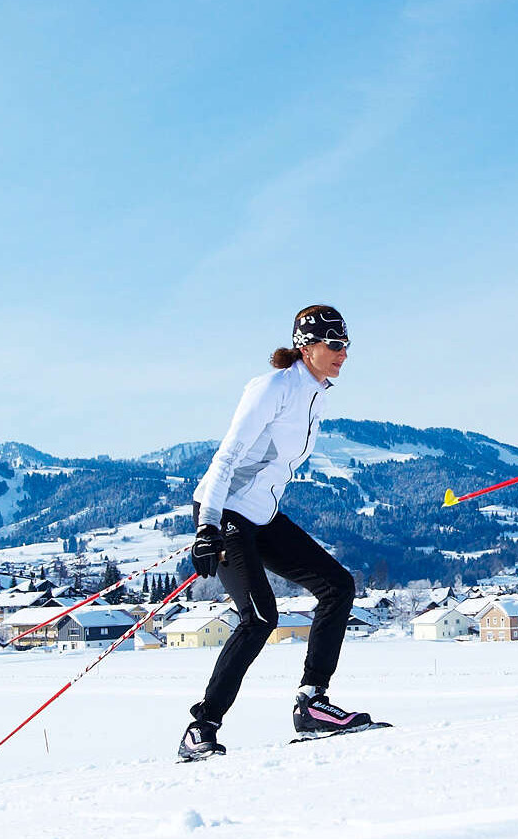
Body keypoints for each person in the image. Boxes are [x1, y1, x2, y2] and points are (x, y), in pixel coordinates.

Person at [176, 305, 377, 762]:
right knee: (260, 617)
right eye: (335, 345)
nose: (343, 355)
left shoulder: (316, 395)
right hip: (225, 510)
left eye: (346, 346)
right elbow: (225, 459)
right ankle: (201, 727)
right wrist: (207, 527)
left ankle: (313, 705)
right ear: (307, 346)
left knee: (337, 586)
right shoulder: (273, 388)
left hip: (261, 515)